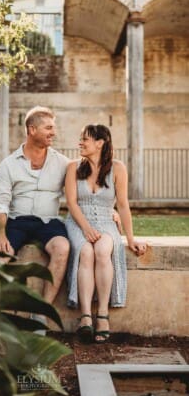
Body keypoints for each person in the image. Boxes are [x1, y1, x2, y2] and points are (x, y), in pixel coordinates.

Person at [65, 124, 146, 343]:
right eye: (81, 139)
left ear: (100, 143)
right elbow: (71, 203)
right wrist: (86, 228)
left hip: (106, 221)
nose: (80, 143)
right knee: (86, 252)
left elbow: (123, 205)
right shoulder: (73, 167)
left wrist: (130, 238)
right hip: (78, 221)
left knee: (102, 251)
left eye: (85, 139)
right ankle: (85, 318)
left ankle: (102, 314)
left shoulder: (118, 168)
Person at [0, 106, 70, 318]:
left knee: (62, 248)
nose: (53, 132)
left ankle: (42, 312)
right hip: (17, 221)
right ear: (32, 129)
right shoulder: (8, 165)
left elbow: (84, 188)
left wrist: (109, 210)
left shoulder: (63, 163)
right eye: (49, 128)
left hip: (49, 222)